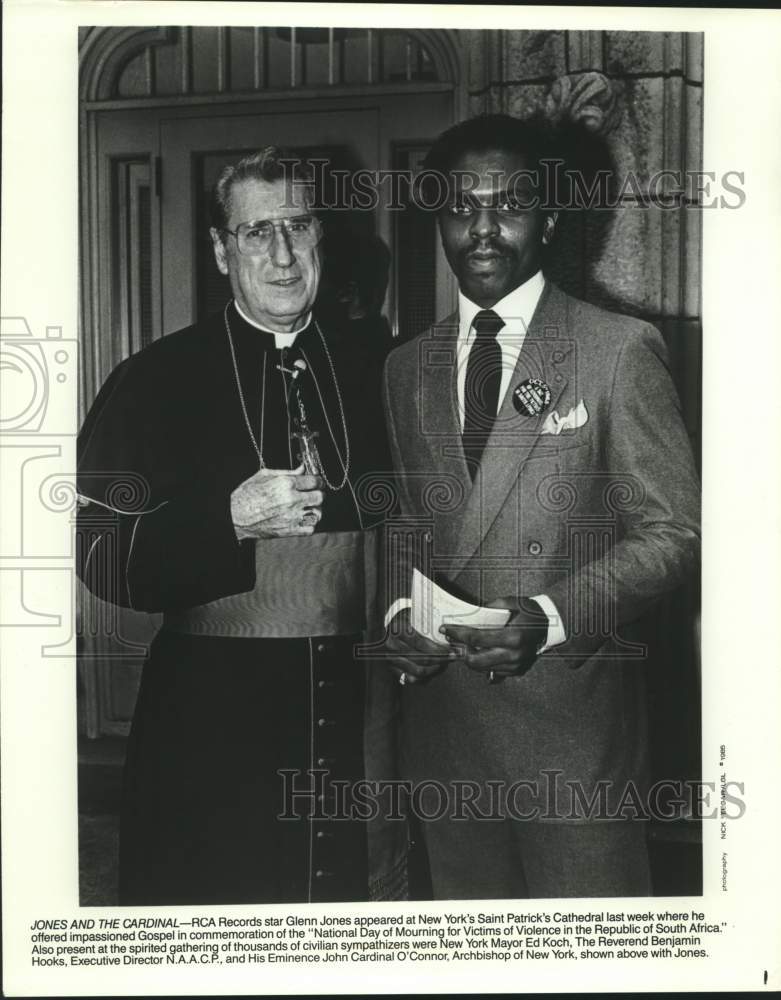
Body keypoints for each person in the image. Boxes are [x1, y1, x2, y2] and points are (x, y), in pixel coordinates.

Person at [379, 114, 701, 899]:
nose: (482, 229)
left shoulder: (615, 348)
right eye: (460, 208)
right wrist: (394, 615)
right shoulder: (403, 366)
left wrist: (549, 615)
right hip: (446, 735)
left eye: (509, 205)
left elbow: (673, 533)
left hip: (572, 743)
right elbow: (403, 526)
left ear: (550, 219)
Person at [77, 147, 390, 905]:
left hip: (363, 705)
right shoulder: (154, 378)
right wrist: (225, 518)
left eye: (298, 226)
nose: (281, 255)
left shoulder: (382, 362)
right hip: (212, 722)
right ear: (222, 250)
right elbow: (95, 552)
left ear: (322, 237)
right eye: (256, 233)